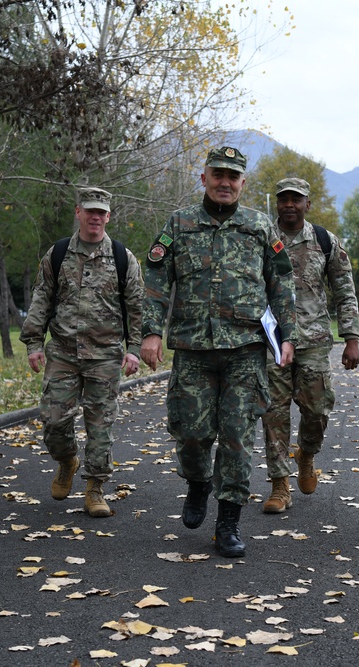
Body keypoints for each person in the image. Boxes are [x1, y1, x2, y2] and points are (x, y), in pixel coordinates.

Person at [141, 146, 297, 558]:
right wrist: (151, 333)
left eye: (233, 176)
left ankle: (228, 523)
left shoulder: (260, 227)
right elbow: (156, 278)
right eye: (218, 175)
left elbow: (282, 284)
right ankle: (197, 482)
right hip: (192, 348)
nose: (225, 183)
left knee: (237, 438)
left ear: (243, 183)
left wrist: (288, 337)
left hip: (245, 350)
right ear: (204, 178)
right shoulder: (180, 223)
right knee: (192, 434)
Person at [20, 187, 143, 518]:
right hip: (62, 352)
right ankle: (67, 460)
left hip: (105, 355)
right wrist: (33, 342)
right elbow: (42, 297)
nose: (96, 217)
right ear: (78, 212)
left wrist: (133, 349)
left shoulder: (122, 257)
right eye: (90, 210)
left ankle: (95, 489)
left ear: (108, 216)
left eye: (101, 212)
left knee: (100, 427)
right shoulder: (58, 253)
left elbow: (136, 306)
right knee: (53, 421)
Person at [260, 177, 359, 514]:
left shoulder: (324, 241)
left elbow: (345, 290)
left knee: (317, 409)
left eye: (296, 199)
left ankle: (306, 452)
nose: (290, 204)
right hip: (272, 340)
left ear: (307, 204)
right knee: (273, 412)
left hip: (314, 340)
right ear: (278, 203)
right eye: (284, 199)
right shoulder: (263, 238)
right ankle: (279, 485)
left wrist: (351, 338)